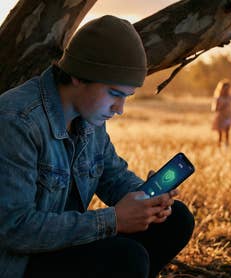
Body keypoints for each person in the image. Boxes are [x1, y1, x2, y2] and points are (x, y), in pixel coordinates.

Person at [0, 15, 194, 278]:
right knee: (125, 258)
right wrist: (112, 220)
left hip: (59, 244)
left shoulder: (89, 118)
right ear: (79, 76)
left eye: (126, 97)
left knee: (175, 220)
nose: (120, 109)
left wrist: (147, 200)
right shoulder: (16, 121)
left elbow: (113, 176)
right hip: (17, 260)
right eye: (115, 94)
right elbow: (13, 228)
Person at [211, 79, 231, 147]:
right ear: (221, 89)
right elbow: (214, 109)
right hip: (220, 118)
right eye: (225, 89)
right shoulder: (218, 98)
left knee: (227, 131)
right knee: (220, 135)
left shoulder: (230, 97)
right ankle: (219, 146)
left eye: (228, 89)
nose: (226, 90)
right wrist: (221, 107)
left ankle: (227, 145)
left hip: (228, 117)